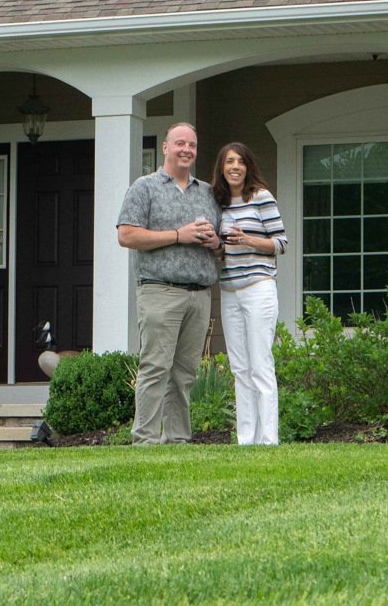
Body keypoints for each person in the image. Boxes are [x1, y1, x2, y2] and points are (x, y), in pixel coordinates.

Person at [116, 123, 222, 444]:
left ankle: (177, 439)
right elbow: (127, 235)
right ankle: (145, 440)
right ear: (165, 148)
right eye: (179, 143)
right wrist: (180, 235)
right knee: (155, 368)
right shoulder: (144, 187)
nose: (186, 150)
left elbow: (221, 245)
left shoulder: (207, 193)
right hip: (160, 291)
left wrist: (213, 241)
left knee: (185, 373)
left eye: (192, 144)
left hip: (199, 295)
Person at [212, 142, 288, 446]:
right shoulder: (217, 204)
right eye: (229, 161)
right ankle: (246, 439)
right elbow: (221, 249)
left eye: (240, 162)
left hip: (258, 288)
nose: (234, 167)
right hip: (229, 291)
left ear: (248, 167)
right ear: (221, 167)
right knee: (239, 367)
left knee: (260, 364)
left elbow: (281, 243)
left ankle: (268, 439)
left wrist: (248, 240)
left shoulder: (261, 198)